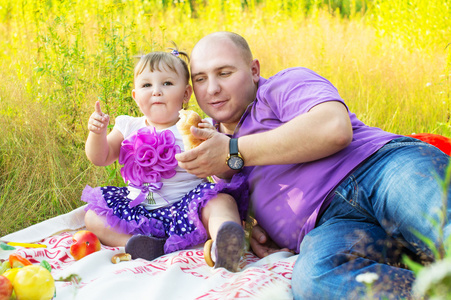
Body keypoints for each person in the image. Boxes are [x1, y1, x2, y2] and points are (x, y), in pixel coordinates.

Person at [175, 31, 451, 298]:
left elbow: (334, 129)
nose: (212, 88)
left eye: (224, 73)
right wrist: (252, 224)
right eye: (200, 78)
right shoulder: (208, 142)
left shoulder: (281, 86)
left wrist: (234, 150)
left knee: (444, 229)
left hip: (379, 170)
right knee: (314, 279)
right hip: (331, 225)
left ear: (254, 70)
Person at [82, 48, 247, 272]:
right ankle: (140, 245)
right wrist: (97, 134)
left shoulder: (197, 126)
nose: (156, 91)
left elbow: (225, 169)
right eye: (147, 85)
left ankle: (225, 242)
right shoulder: (128, 126)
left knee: (221, 202)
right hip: (139, 211)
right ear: (135, 96)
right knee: (93, 217)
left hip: (188, 207)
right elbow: (100, 157)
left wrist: (212, 141)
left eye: (167, 84)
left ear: (186, 93)